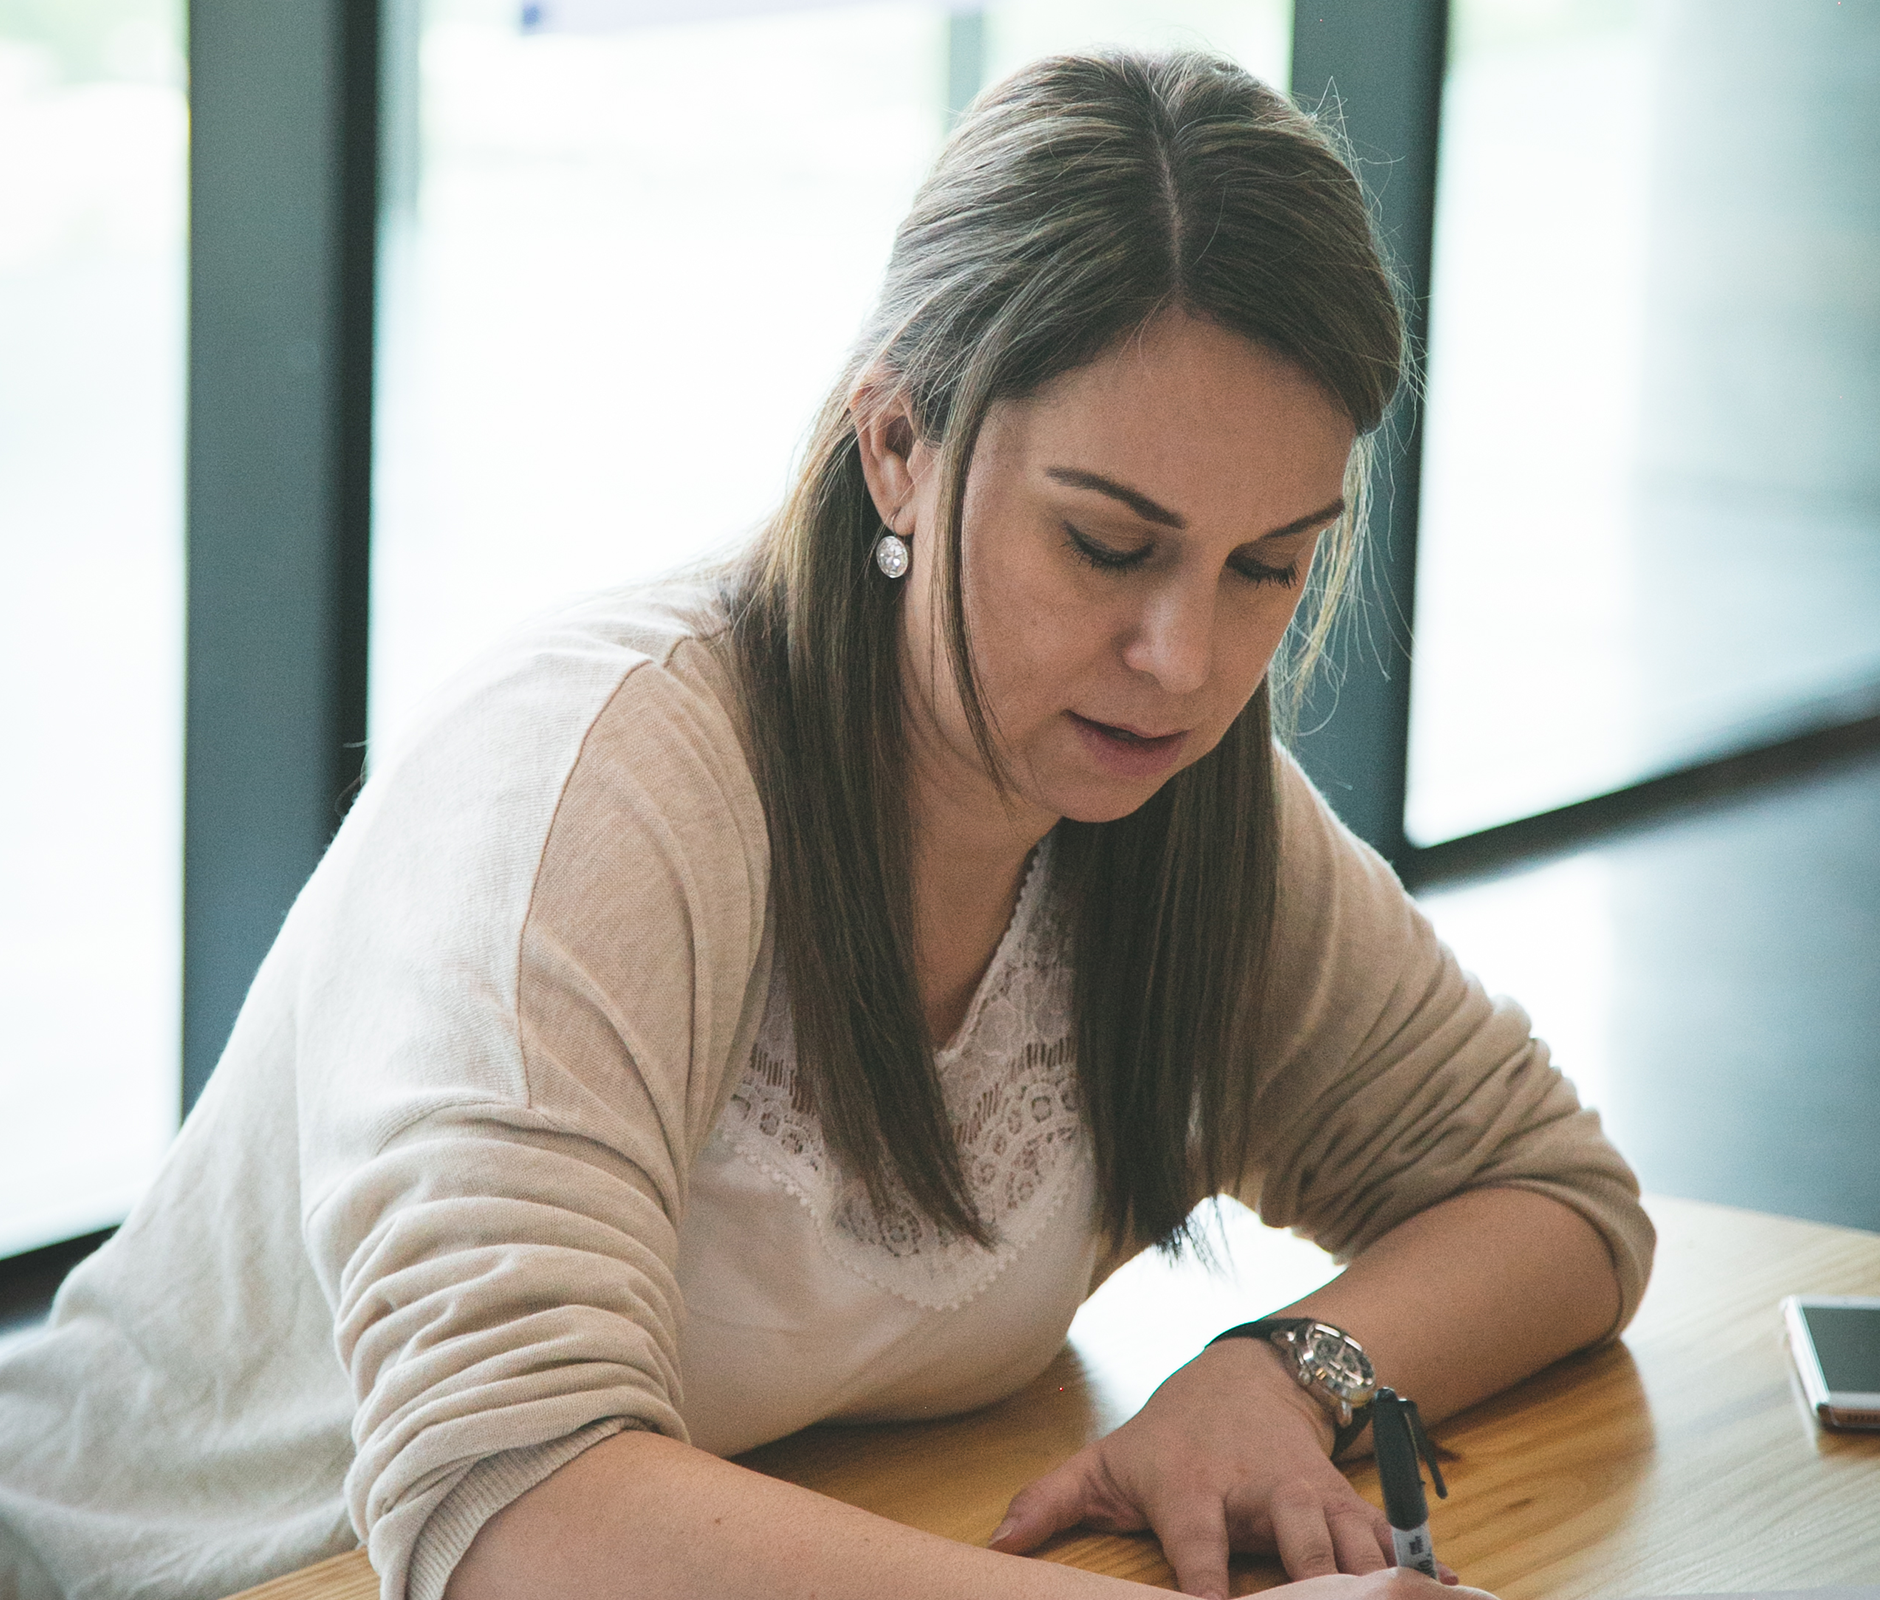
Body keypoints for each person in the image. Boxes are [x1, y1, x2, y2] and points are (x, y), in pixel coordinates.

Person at [0, 48, 1652, 1600]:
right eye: (1105, 546)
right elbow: (507, 1500)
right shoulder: (603, 784)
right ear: (899, 447)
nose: (1188, 663)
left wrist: (1280, 1376)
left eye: (1266, 568)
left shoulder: (1174, 805)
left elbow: (1555, 1200)